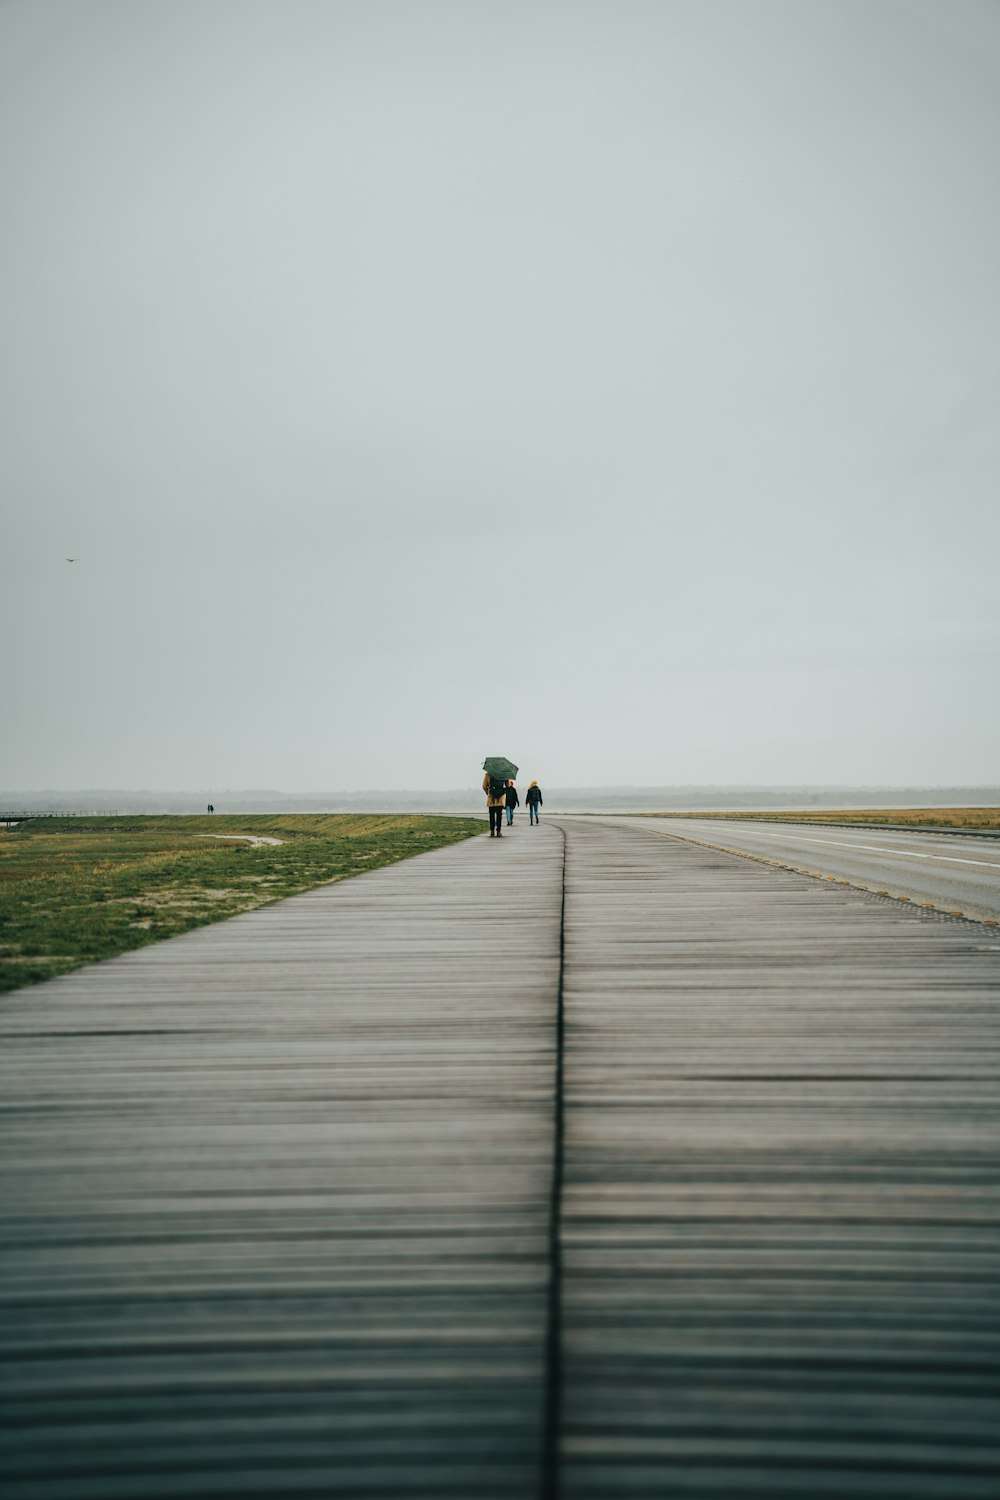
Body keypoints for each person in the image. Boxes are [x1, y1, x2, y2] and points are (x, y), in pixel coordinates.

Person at [482, 770, 506, 837]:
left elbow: (484, 786)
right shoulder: (504, 774)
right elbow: (508, 785)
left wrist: (488, 792)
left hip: (491, 799)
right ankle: (498, 831)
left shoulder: (487, 774)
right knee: (499, 816)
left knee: (491, 815)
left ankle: (492, 831)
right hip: (500, 799)